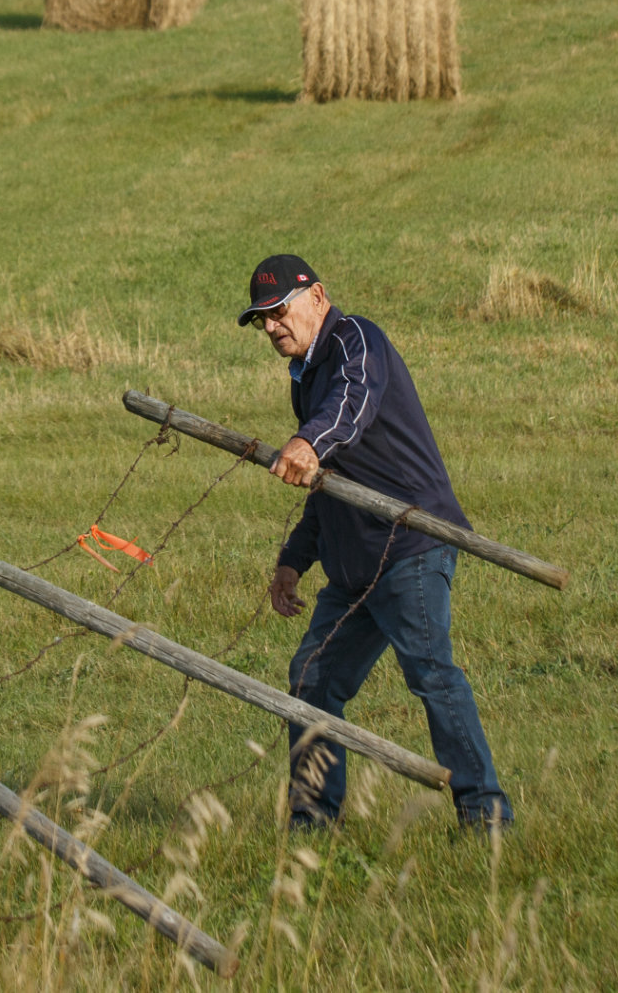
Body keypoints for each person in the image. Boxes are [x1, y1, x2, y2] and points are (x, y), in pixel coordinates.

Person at [240, 253, 511, 830]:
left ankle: (484, 814)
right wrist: (293, 560)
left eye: (278, 311)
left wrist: (309, 440)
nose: (270, 327)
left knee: (431, 673)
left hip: (409, 543)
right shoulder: (306, 379)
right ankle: (313, 820)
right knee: (313, 677)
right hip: (353, 563)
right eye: (261, 318)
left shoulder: (356, 341)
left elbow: (351, 405)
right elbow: (329, 484)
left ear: (316, 297)